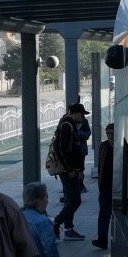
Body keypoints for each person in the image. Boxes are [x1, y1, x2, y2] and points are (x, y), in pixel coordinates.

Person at [51, 103, 88, 241]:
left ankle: (69, 228)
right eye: (81, 114)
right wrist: (70, 169)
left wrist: (79, 169)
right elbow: (62, 149)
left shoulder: (71, 125)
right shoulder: (66, 126)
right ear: (73, 113)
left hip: (73, 170)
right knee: (75, 200)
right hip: (68, 172)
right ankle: (56, 222)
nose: (83, 117)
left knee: (71, 200)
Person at [92, 123, 114, 250]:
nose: (109, 136)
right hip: (105, 185)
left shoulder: (121, 146)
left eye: (111, 133)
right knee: (104, 212)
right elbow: (100, 165)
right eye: (108, 133)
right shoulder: (103, 146)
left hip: (117, 184)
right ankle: (102, 239)